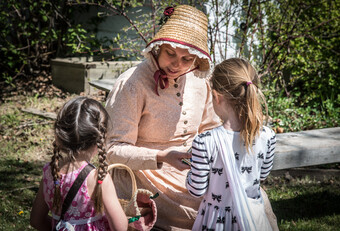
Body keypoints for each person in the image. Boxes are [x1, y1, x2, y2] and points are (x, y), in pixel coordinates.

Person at [105, 5, 220, 230]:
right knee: (199, 211)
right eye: (170, 54)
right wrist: (162, 156)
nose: (177, 64)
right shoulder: (131, 84)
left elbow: (210, 129)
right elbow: (111, 150)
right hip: (146, 173)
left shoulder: (200, 82)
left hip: (193, 169)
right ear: (158, 47)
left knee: (247, 199)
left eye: (187, 59)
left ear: (197, 60)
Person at [186, 58, 277, 230]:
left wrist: (189, 172)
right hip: (254, 218)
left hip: (217, 222)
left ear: (216, 96)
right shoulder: (268, 136)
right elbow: (262, 175)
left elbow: (196, 189)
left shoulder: (204, 141)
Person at [30, 97, 128, 231]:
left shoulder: (49, 172)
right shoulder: (98, 178)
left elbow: (36, 220)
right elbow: (120, 227)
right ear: (100, 139)